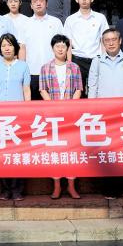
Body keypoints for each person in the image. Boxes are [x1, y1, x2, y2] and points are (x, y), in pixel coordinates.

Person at [87, 28, 123, 200]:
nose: (110, 43)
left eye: (113, 39)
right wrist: (92, 110)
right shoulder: (97, 61)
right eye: (107, 40)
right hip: (105, 115)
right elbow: (92, 86)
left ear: (120, 41)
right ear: (103, 43)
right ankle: (110, 188)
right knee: (107, 152)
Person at [0, 34, 31, 201]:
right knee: (2, 153)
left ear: (15, 47)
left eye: (10, 45)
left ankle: (18, 189)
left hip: (18, 116)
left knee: (19, 153)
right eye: (4, 45)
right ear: (0, 49)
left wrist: (27, 111)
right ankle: (5, 189)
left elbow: (26, 90)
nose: (7, 48)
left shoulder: (23, 66)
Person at [39, 35, 83, 200]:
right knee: (55, 151)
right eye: (57, 46)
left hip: (71, 115)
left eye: (63, 46)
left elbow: (79, 88)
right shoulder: (45, 68)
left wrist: (71, 106)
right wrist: (53, 106)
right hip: (53, 116)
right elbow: (43, 89)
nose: (60, 49)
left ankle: (71, 185)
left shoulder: (74, 67)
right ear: (52, 48)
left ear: (67, 49)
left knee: (72, 149)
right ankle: (57, 185)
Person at [19, 0, 64, 100]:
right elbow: (22, 48)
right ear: (31, 5)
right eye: (35, 1)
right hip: (31, 71)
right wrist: (22, 69)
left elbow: (62, 46)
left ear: (47, 3)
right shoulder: (25, 24)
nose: (38, 3)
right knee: (33, 105)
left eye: (41, 0)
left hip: (53, 71)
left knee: (53, 105)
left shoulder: (56, 22)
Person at [63, 0, 108, 94]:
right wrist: (69, 63)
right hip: (77, 59)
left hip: (96, 59)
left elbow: (104, 40)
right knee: (77, 91)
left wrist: (104, 59)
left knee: (96, 90)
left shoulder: (100, 18)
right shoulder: (70, 19)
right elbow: (68, 43)